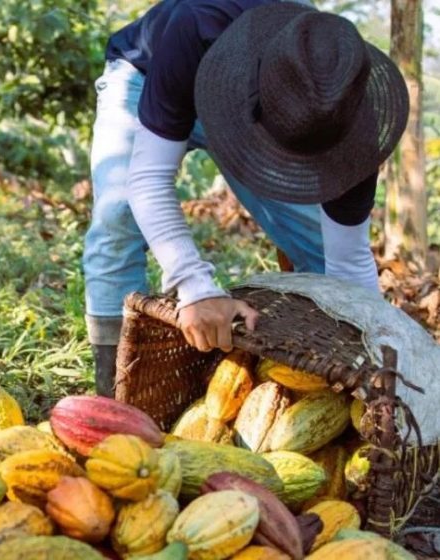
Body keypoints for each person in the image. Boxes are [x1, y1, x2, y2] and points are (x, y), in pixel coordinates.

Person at [84, 0, 408, 396]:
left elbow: (348, 260)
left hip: (277, 112)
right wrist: (195, 286)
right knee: (117, 215)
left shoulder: (346, 110)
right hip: (150, 75)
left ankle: (316, 378)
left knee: (319, 249)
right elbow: (148, 178)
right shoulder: (196, 25)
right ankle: (115, 387)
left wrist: (376, 357)